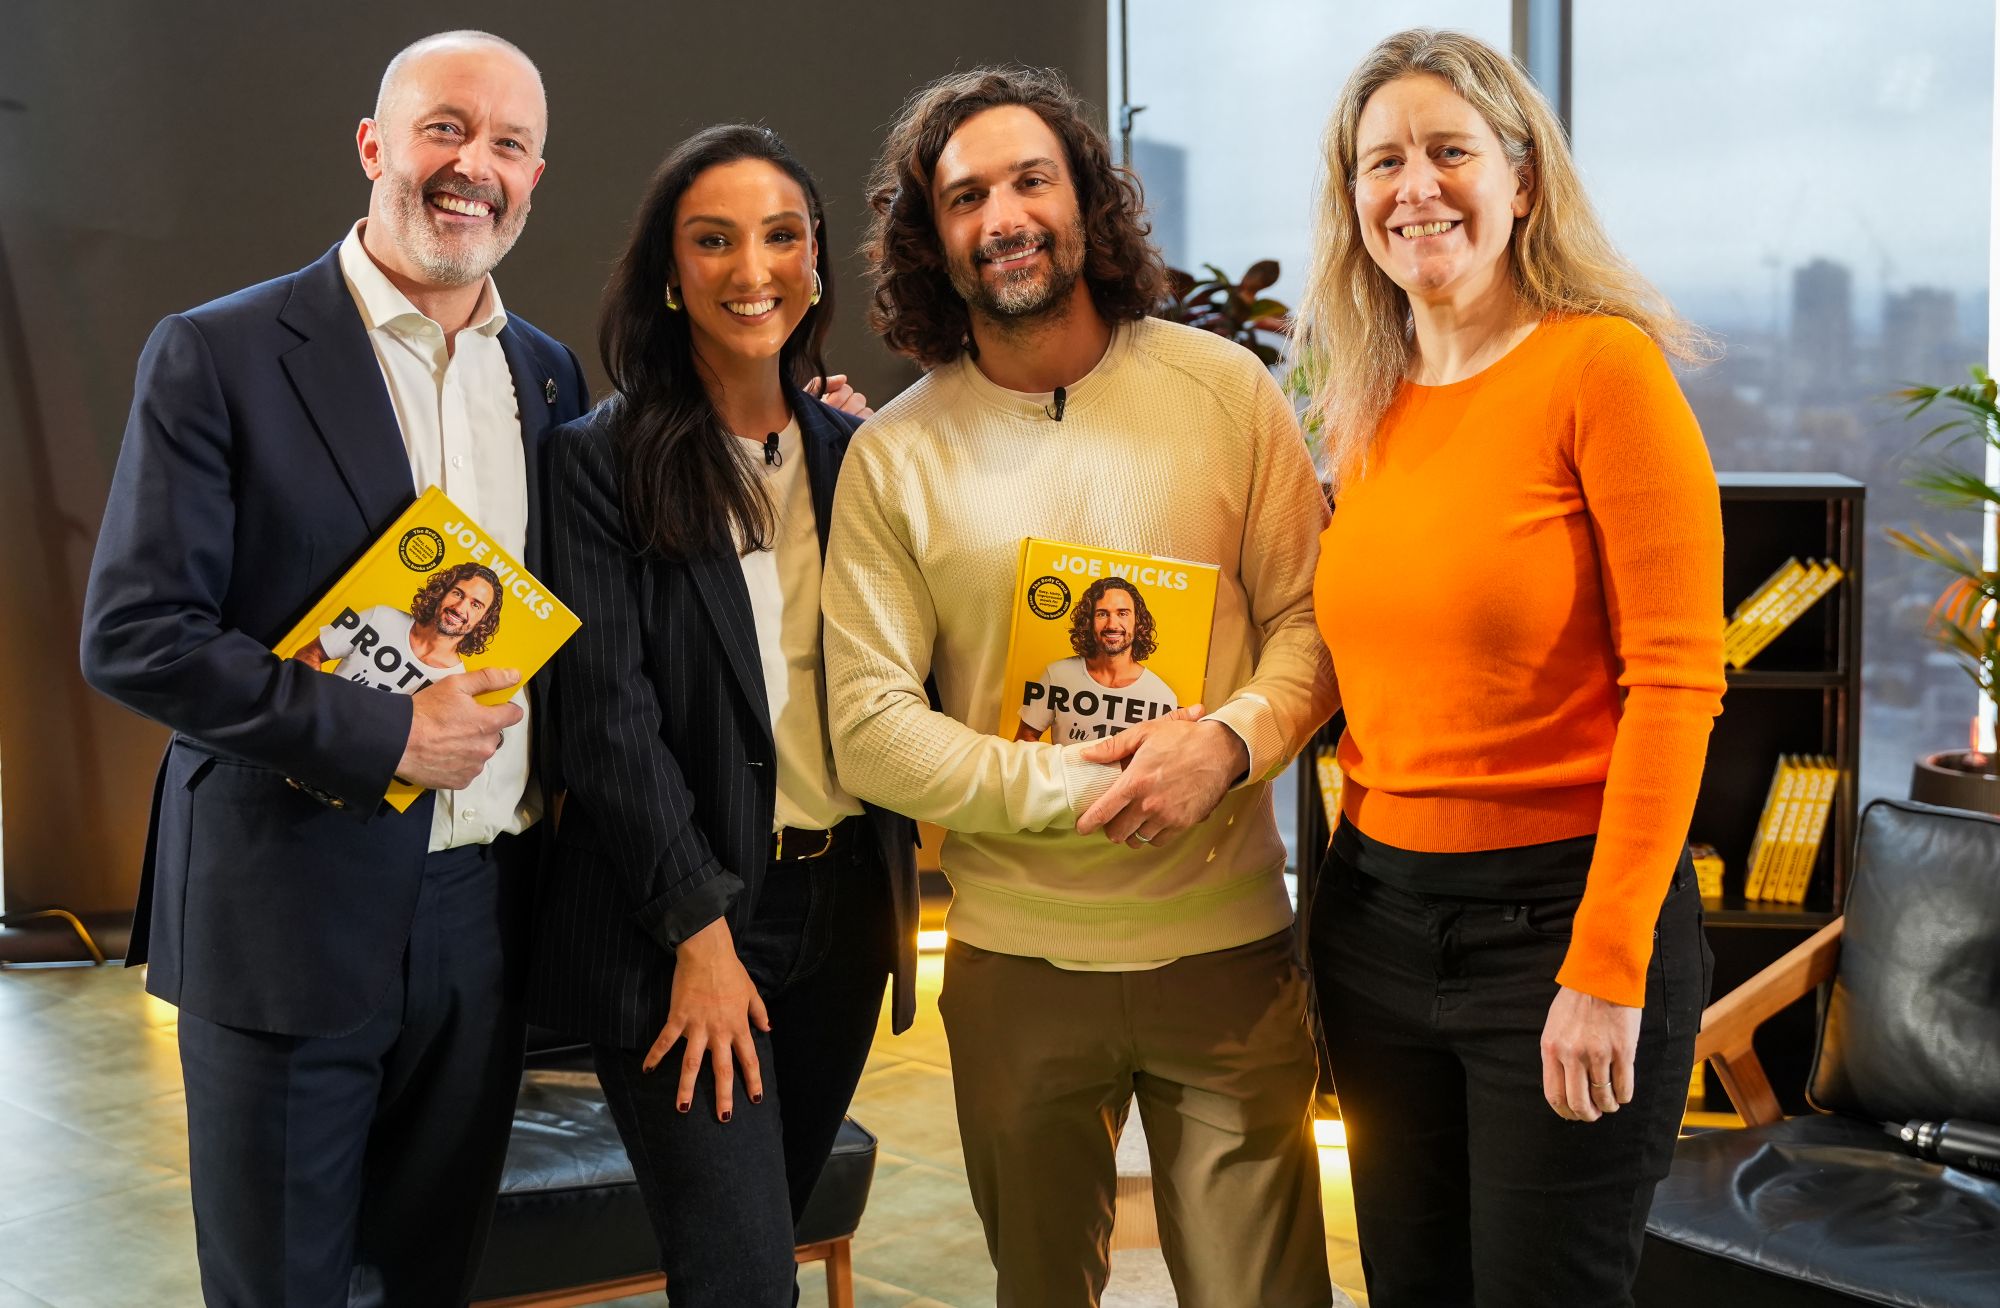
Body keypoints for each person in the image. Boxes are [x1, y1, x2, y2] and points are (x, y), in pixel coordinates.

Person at [78, 31, 588, 1305]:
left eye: (509, 145)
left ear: (536, 177)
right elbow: (138, 634)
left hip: (481, 915)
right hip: (286, 910)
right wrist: (386, 738)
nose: (476, 166)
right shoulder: (221, 351)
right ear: (373, 147)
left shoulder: (544, 374)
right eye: (445, 129)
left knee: (431, 1276)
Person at [824, 66, 1338, 1308]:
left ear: (1085, 203)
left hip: (1225, 950)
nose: (1001, 214)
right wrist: (1070, 788)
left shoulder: (1226, 394)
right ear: (929, 239)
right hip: (1015, 969)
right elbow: (870, 729)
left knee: (1262, 1296)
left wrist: (1220, 746)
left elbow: (1311, 626)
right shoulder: (894, 457)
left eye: (1029, 180)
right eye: (964, 196)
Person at [1290, 27, 1725, 1308]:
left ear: (1521, 179)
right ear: (1351, 198)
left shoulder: (1601, 368)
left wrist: (1604, 965)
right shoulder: (1363, 404)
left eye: (1447, 151)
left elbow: (1677, 683)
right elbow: (1362, 660)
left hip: (1557, 930)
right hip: (1370, 923)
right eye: (1380, 161)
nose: (1412, 186)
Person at [527, 124, 916, 1308]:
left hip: (843, 912)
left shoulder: (864, 456)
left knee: (759, 1252)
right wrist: (699, 935)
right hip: (685, 924)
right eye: (714, 241)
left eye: (782, 237)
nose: (754, 269)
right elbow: (606, 722)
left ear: (815, 264)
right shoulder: (596, 463)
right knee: (743, 1282)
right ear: (667, 271)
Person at [291, 562, 504, 691]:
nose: (459, 608)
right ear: (442, 592)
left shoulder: (453, 683)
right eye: (457, 593)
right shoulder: (380, 617)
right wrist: (316, 705)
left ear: (483, 620)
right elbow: (312, 653)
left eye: (475, 605)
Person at [1016, 576, 1177, 743]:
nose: (1112, 625)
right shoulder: (1056, 676)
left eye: (1122, 613)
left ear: (1138, 621)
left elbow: (1163, 763)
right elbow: (1024, 740)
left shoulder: (1161, 697)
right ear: (1089, 621)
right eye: (1102, 614)